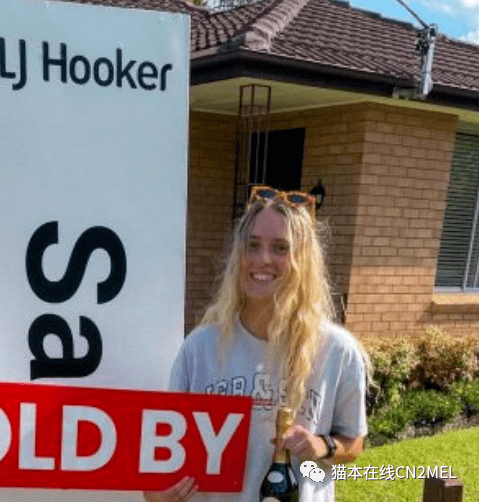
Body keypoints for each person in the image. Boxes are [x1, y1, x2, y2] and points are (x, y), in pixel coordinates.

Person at [145, 186, 369, 502]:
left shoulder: (338, 350)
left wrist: (322, 445)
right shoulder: (200, 348)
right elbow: (166, 451)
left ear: (303, 260)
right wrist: (156, 493)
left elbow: (354, 443)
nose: (263, 259)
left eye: (280, 248)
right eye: (252, 245)